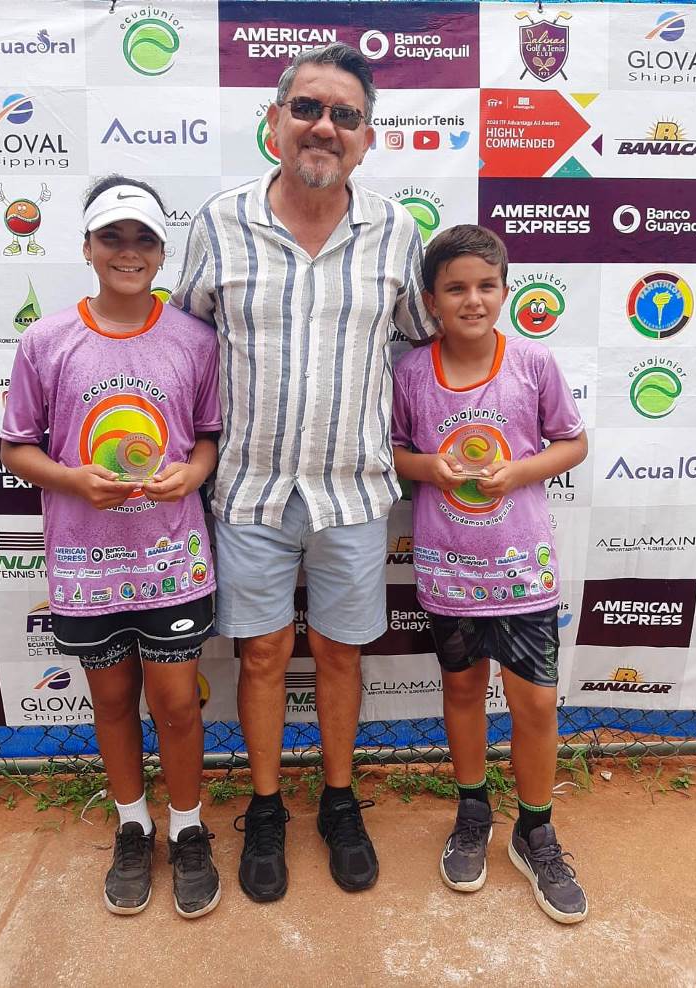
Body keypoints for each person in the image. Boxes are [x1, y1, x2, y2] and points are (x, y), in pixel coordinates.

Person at [171, 42, 434, 901]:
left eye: (344, 115)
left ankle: (339, 800)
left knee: (340, 657)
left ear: (367, 136)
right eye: (308, 108)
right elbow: (186, 345)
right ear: (275, 120)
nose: (325, 127)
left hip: (352, 491)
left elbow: (421, 344)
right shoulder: (220, 222)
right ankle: (266, 806)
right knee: (260, 657)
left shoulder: (397, 232)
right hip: (249, 488)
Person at [0, 175, 222, 919]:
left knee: (176, 704)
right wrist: (71, 479)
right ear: (88, 247)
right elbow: (14, 447)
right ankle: (133, 825)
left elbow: (209, 436)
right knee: (113, 699)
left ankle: (188, 828)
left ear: (162, 252)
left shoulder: (194, 340)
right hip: (85, 565)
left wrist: (193, 472)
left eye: (144, 238)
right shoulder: (46, 340)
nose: (129, 251)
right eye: (112, 237)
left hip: (171, 561)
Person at [391, 225, 589, 924]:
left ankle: (535, 829)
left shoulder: (533, 363)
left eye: (485, 285)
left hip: (521, 571)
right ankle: (473, 810)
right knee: (463, 690)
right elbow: (394, 452)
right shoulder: (412, 373)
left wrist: (522, 469)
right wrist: (429, 467)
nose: (471, 300)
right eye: (455, 288)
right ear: (431, 300)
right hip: (449, 571)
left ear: (505, 291)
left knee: (534, 704)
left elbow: (573, 442)